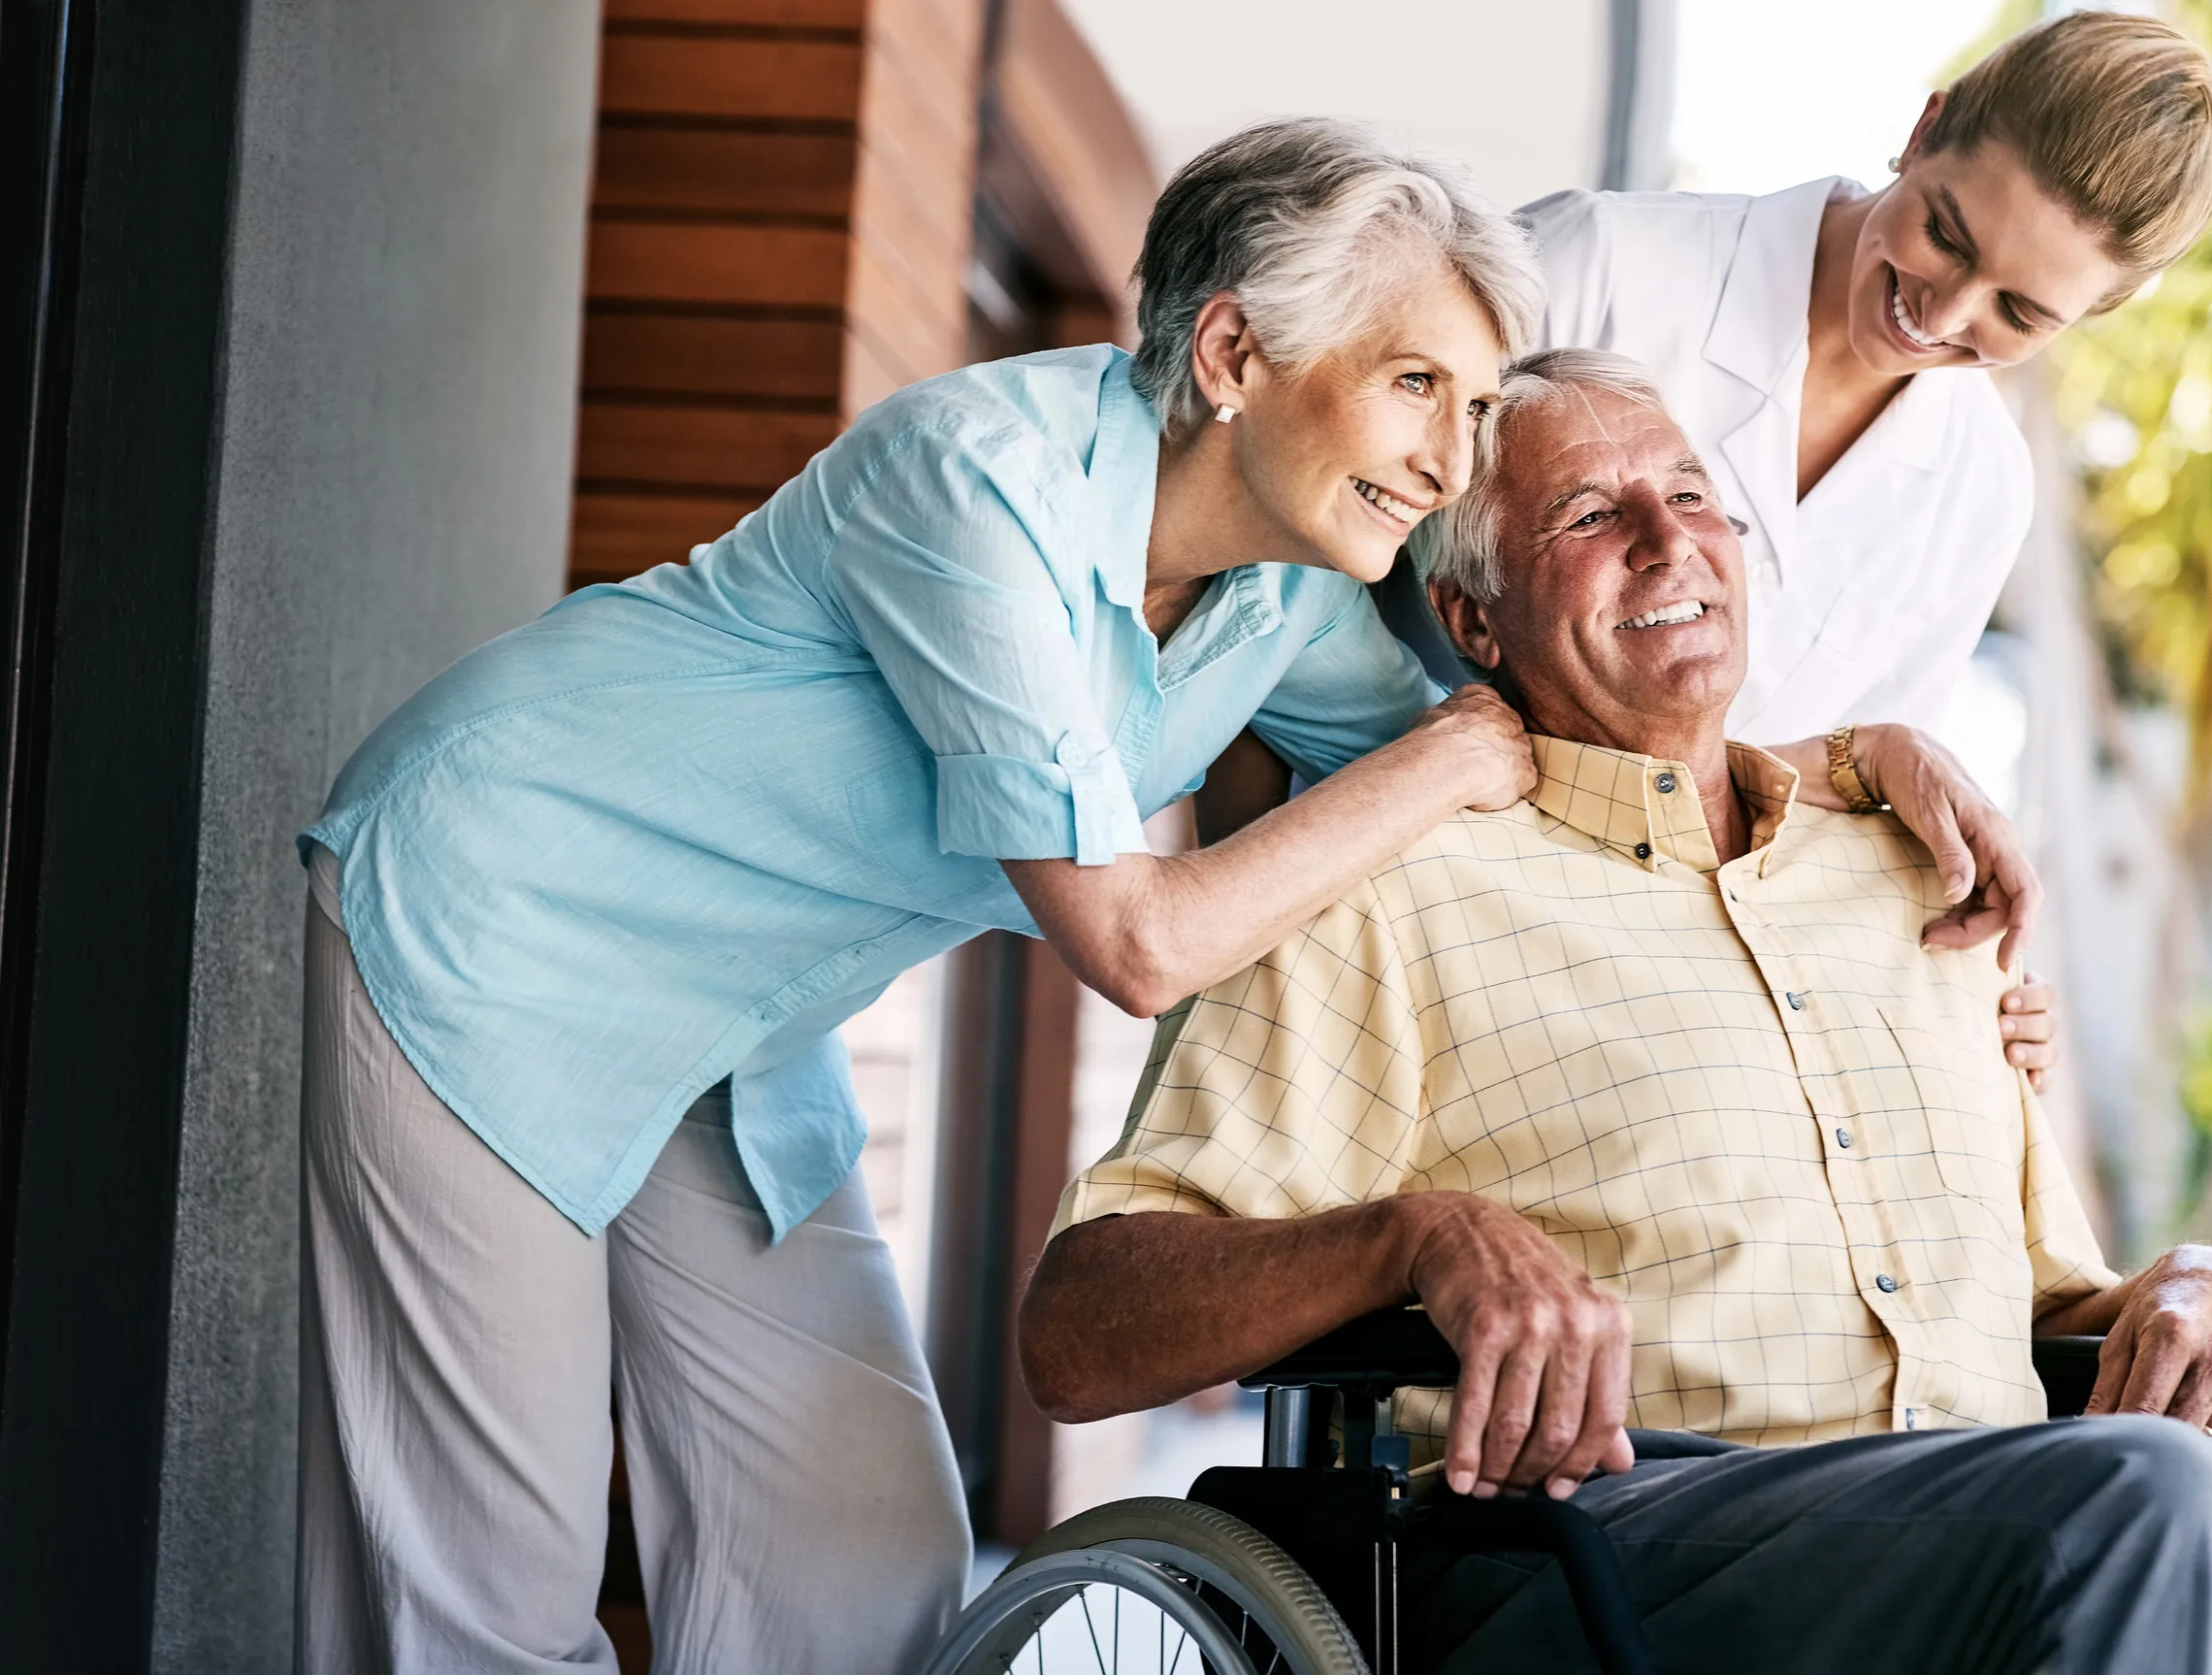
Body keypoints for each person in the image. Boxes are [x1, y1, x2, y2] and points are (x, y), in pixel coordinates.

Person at [297, 117, 1550, 1675]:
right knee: (485, 1592)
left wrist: (1786, 784)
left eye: (1475, 406)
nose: (1450, 461)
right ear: (1233, 352)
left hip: (737, 1022)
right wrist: (1449, 755)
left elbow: (1494, 789)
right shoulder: (979, 477)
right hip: (500, 907)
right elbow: (1139, 939)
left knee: (861, 1551)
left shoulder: (1288, 591)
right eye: (1415, 382)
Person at [1019, 352, 2212, 1675]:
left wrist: (2202, 1283)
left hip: (2005, 1503)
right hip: (1621, 1546)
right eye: (1588, 516)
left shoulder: (1914, 873)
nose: (1669, 543)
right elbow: (1077, 1333)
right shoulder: (1388, 887)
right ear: (1474, 621)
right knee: (2136, 1497)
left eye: (1692, 495)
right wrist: (1412, 1237)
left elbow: (2057, 1304)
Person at [1515, 10, 2212, 1092]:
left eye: (2020, 311)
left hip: (1661, 1024)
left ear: (2090, 315)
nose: (1944, 312)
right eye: (1948, 233)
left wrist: (1969, 990)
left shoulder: (1981, 489)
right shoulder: (1596, 264)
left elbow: (1829, 809)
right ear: (1924, 128)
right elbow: (1320, 578)